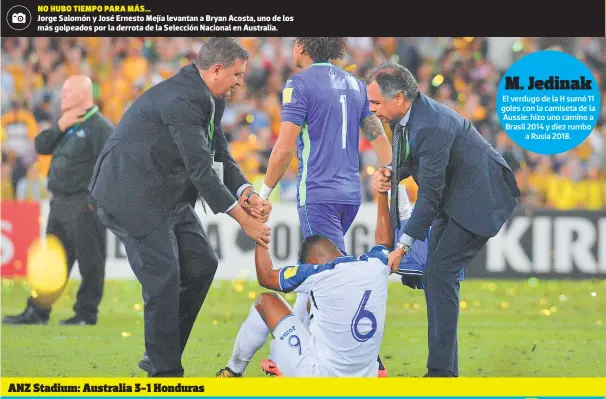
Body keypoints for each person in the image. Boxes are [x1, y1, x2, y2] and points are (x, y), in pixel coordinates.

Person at [88, 37, 271, 378]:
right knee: (164, 279)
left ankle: (160, 349)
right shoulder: (182, 98)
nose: (240, 82)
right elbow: (201, 170)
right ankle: (165, 373)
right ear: (216, 70)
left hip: (166, 193)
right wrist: (245, 222)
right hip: (132, 196)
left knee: (201, 265)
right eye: (237, 74)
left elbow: (220, 155)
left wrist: (247, 192)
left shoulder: (208, 96)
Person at [367, 61, 520, 377]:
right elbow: (411, 162)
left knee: (438, 273)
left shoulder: (431, 125)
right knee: (438, 278)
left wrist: (403, 246)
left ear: (398, 98)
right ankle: (445, 371)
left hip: (479, 199)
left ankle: (441, 373)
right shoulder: (404, 118)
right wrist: (390, 174)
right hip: (454, 198)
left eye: (376, 102)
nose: (372, 110)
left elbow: (431, 195)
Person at [257, 37, 392, 376]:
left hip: (318, 192)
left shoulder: (298, 84)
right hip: (350, 195)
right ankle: (287, 351)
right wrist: (389, 174)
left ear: (302, 47)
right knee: (320, 277)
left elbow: (286, 146)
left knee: (331, 277)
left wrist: (264, 191)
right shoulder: (357, 85)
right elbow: (379, 139)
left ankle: (369, 363)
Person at [216, 187, 409, 378]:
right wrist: (382, 193)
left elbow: (266, 277)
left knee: (267, 301)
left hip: (319, 377)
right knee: (309, 300)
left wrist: (260, 232)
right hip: (366, 377)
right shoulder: (375, 265)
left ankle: (233, 370)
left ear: (311, 263)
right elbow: (384, 242)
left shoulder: (318, 274)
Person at [3, 75, 113, 326]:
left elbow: (112, 166)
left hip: (84, 203)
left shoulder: (100, 128)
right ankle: (37, 311)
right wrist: (59, 126)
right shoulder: (66, 123)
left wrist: (96, 200)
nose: (61, 96)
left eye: (67, 92)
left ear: (84, 95)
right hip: (59, 203)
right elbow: (41, 146)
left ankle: (86, 314)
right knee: (52, 263)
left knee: (90, 261)